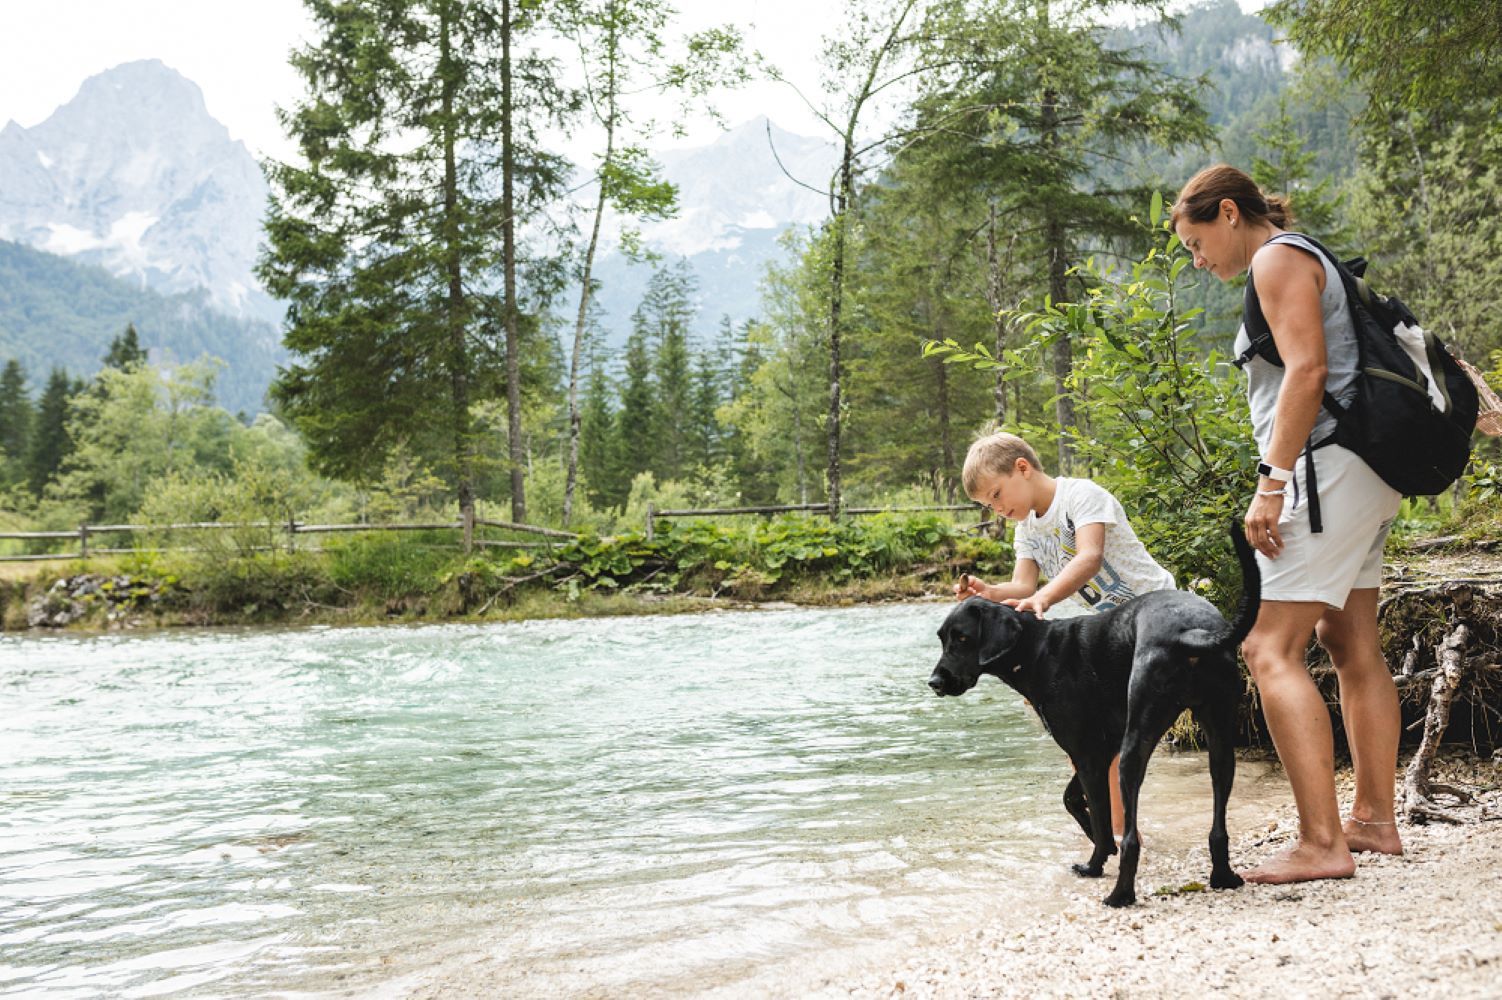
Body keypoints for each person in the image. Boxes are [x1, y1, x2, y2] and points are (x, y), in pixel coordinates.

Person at [1171, 164, 1404, 885]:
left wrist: (1270, 484)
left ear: (1229, 213)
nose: (1197, 260)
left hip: (1325, 470)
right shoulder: (1306, 254)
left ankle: (1320, 842)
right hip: (1365, 469)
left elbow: (1307, 371)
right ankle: (1373, 821)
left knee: (1268, 647)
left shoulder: (1276, 259)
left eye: (1196, 242)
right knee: (1350, 638)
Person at [955, 430, 1177, 837]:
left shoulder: (1081, 496)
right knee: (1083, 730)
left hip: (1158, 614)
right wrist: (990, 592)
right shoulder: (1027, 527)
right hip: (1114, 635)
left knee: (1104, 732)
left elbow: (1089, 558)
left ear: (1022, 468)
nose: (997, 509)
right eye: (988, 505)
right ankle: (1111, 830)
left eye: (997, 494)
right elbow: (1022, 586)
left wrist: (1044, 597)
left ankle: (1117, 832)